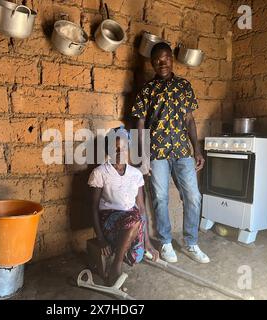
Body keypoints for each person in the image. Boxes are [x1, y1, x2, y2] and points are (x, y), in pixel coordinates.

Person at [132, 42, 210, 264]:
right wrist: (143, 155)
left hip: (183, 151)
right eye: (157, 59)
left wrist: (197, 149)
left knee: (193, 197)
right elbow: (140, 124)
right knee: (160, 198)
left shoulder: (184, 86)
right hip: (157, 152)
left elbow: (189, 120)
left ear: (171, 60)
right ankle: (165, 242)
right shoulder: (147, 90)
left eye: (165, 58)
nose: (161, 62)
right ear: (152, 63)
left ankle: (191, 242)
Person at [88, 128, 159, 286]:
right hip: (110, 219)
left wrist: (147, 242)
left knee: (137, 256)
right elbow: (93, 208)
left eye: (124, 148)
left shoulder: (135, 174)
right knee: (135, 219)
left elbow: (141, 207)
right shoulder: (100, 172)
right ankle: (116, 266)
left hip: (133, 219)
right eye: (116, 148)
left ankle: (122, 249)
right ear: (108, 150)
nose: (120, 152)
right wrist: (100, 239)